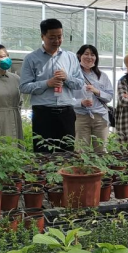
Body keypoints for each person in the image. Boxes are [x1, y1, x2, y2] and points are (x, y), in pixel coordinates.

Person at [19, 18, 84, 152]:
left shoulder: (71, 57)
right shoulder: (31, 58)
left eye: (59, 37)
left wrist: (67, 78)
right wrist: (47, 83)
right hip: (43, 113)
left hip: (66, 112)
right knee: (43, 152)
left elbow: (80, 83)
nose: (56, 41)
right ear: (42, 36)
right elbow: (24, 86)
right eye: (52, 37)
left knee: (67, 152)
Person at [74, 44, 114, 152]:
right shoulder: (74, 76)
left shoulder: (102, 76)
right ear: (79, 56)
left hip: (100, 117)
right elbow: (67, 98)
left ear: (96, 58)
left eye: (92, 55)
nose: (89, 57)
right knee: (81, 151)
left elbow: (110, 96)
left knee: (101, 150)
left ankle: (101, 165)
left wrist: (97, 91)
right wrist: (81, 103)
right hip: (81, 116)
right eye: (86, 54)